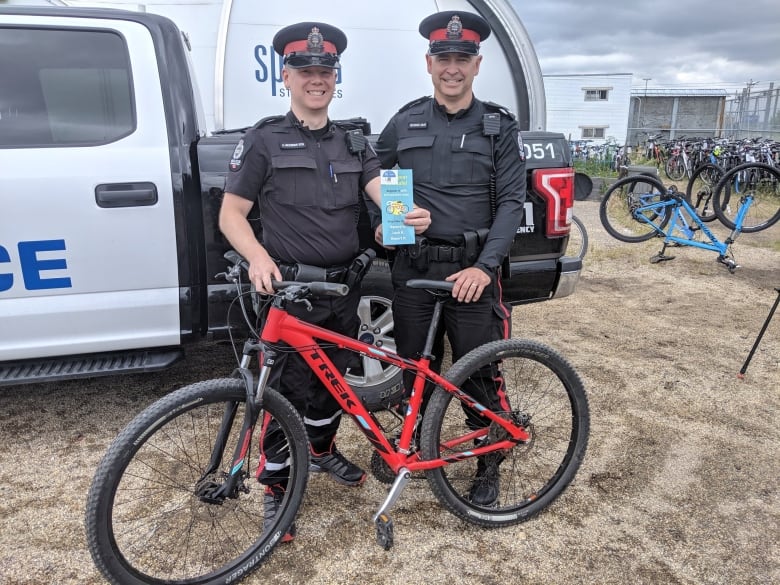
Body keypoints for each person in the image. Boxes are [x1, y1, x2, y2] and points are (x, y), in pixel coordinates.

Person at [218, 21, 430, 541]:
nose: (317, 79)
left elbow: (382, 190)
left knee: (333, 386)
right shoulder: (264, 139)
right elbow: (231, 215)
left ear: (336, 79)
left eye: (325, 72)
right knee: (282, 394)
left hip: (344, 291)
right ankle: (277, 490)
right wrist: (257, 258)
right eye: (306, 71)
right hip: (288, 294)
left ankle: (320, 452)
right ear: (286, 77)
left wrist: (408, 214)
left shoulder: (354, 142)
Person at [373, 11, 526, 507]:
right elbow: (373, 179)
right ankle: (413, 441)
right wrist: (377, 229)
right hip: (414, 270)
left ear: (476, 65)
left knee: (479, 373)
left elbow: (510, 203)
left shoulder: (498, 125)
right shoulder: (406, 120)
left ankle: (489, 460)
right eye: (444, 59)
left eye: (462, 58)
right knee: (413, 366)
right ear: (429, 63)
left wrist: (485, 267)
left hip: (471, 274)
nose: (452, 68)